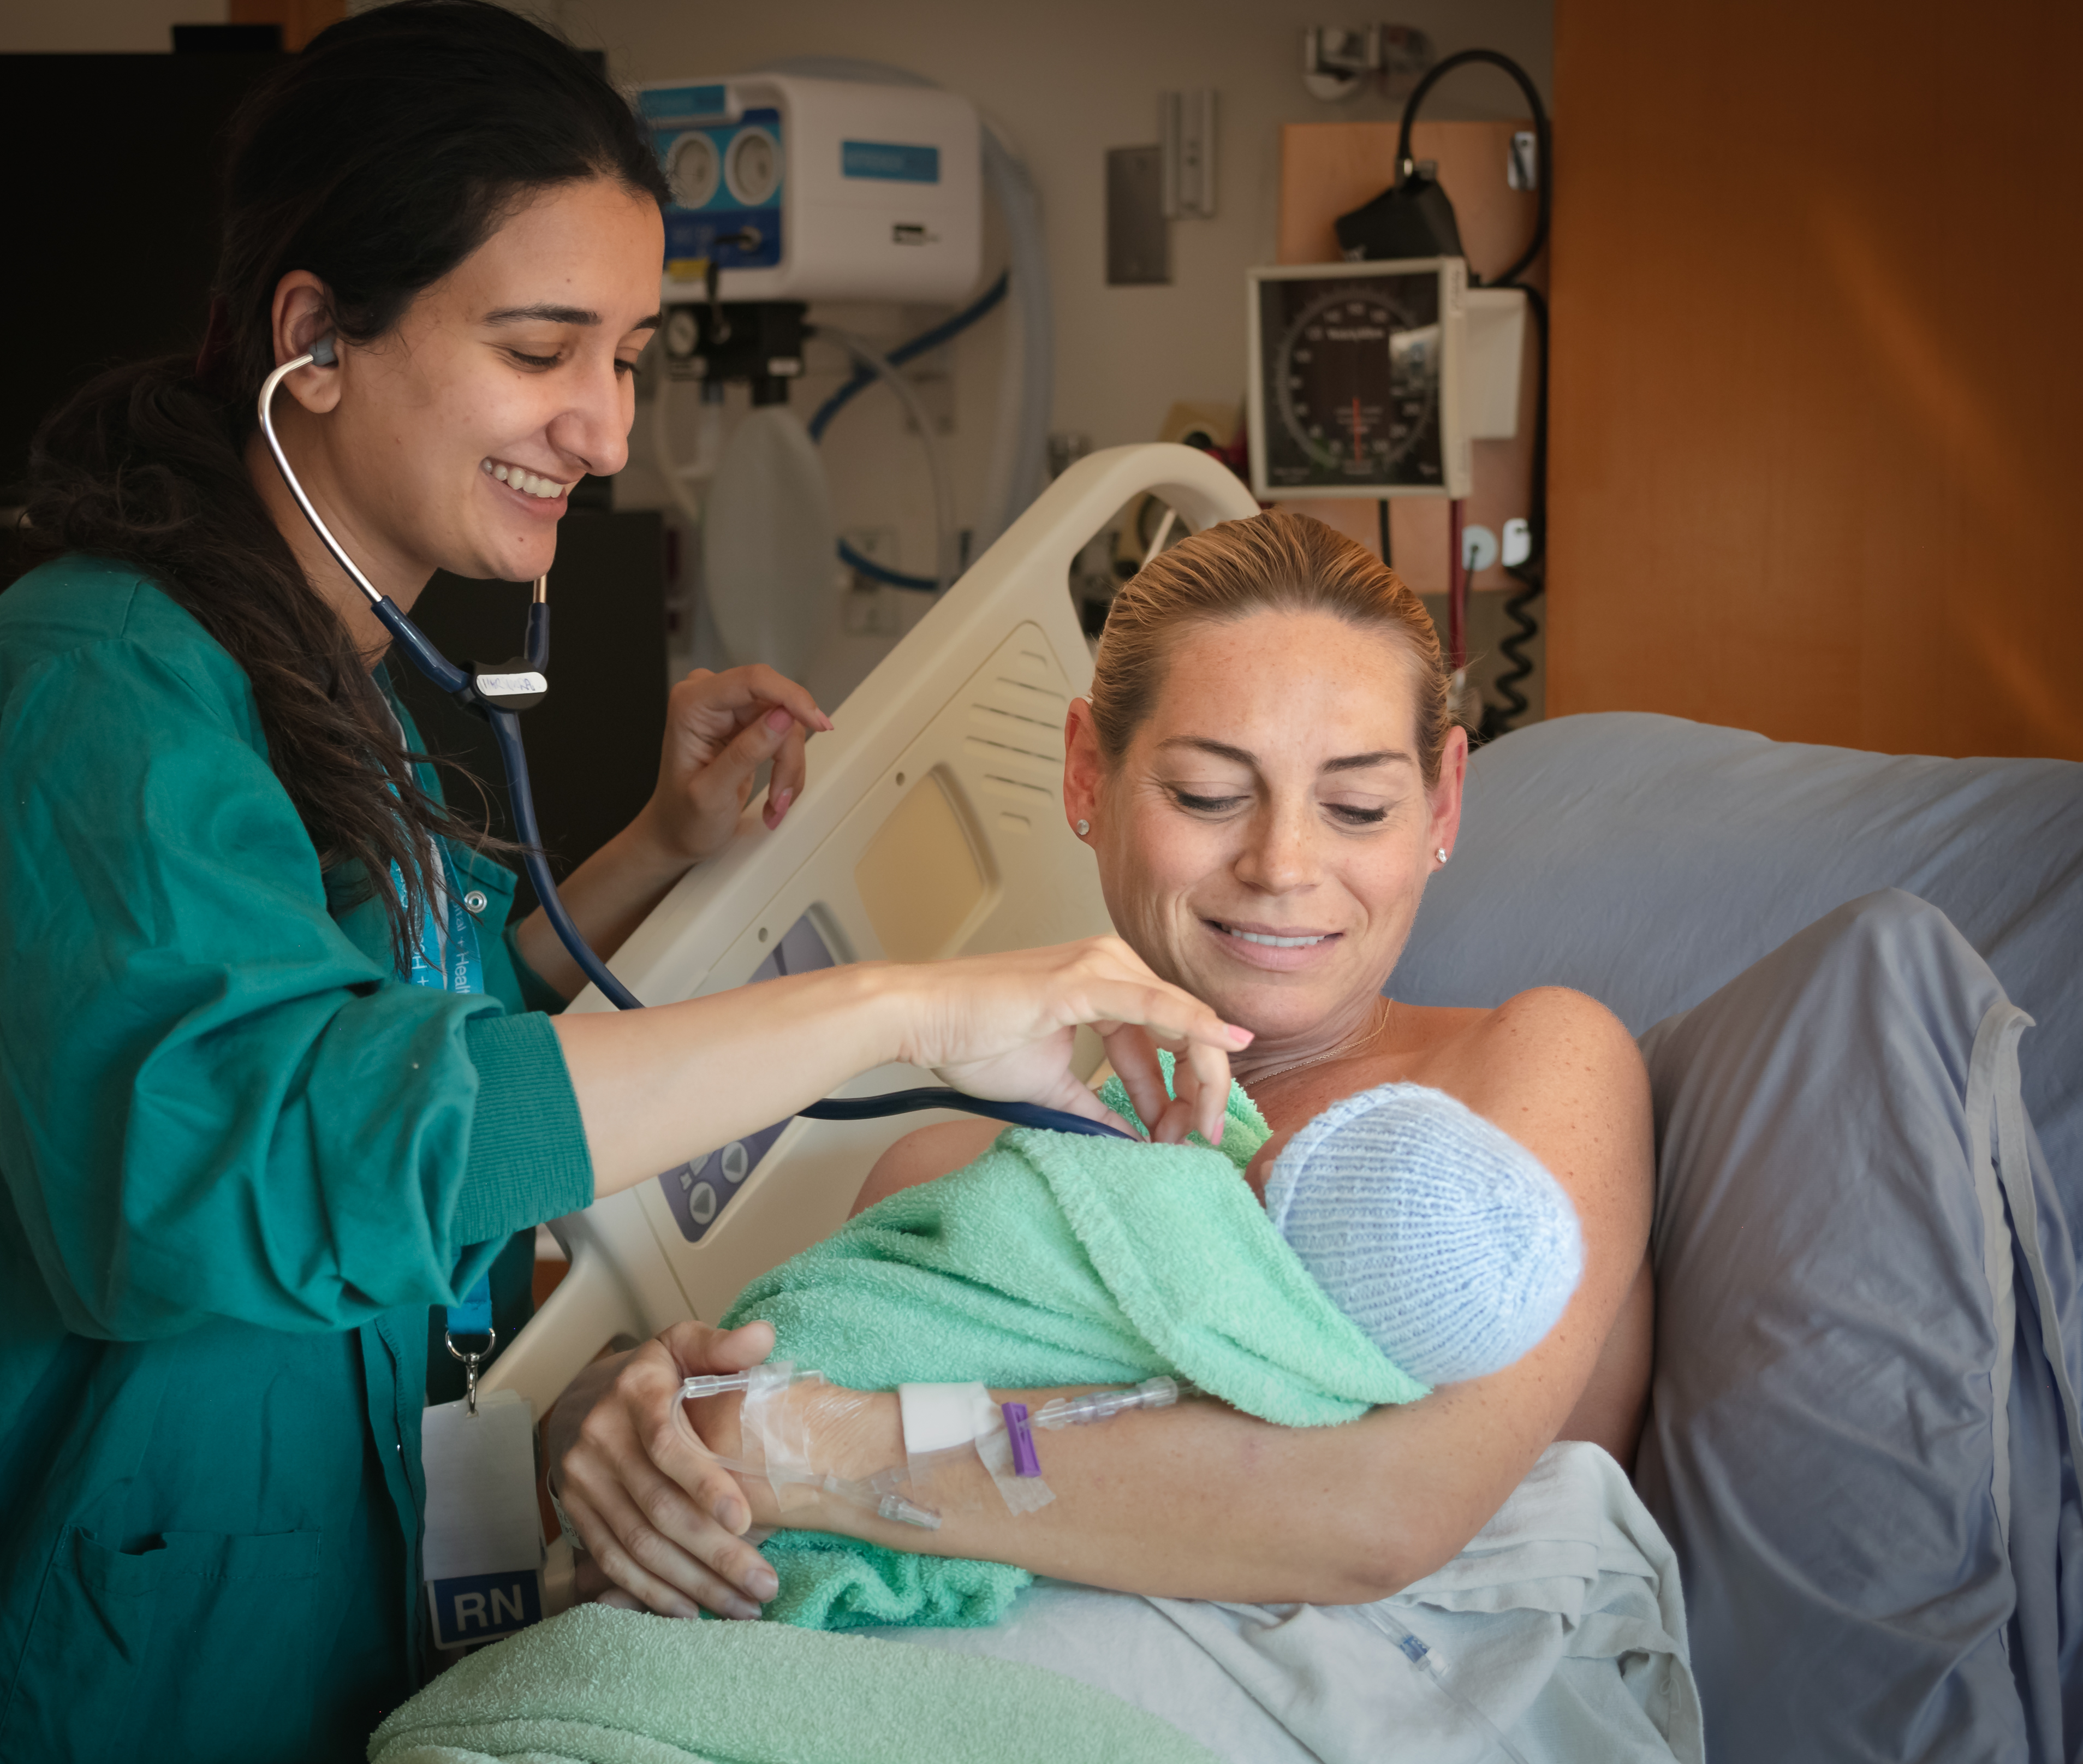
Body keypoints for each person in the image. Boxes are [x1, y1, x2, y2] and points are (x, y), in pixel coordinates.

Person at [0, 9, 1246, 1758]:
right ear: (313, 336)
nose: (607, 430)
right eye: (544, 347)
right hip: (93, 1657)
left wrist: (650, 862)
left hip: (308, 1610)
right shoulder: (94, 692)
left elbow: (414, 1040)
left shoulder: (328, 676)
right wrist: (918, 1006)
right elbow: (248, 1155)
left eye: (628, 356)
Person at [549, 508, 1656, 1622]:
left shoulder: (1531, 1067)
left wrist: (809, 1441)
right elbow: (781, 1434)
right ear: (1087, 773)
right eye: (1207, 793)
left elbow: (1387, 1513)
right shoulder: (956, 1174)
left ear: (1443, 802)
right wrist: (653, 1427)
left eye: (1357, 804)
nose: (1281, 862)